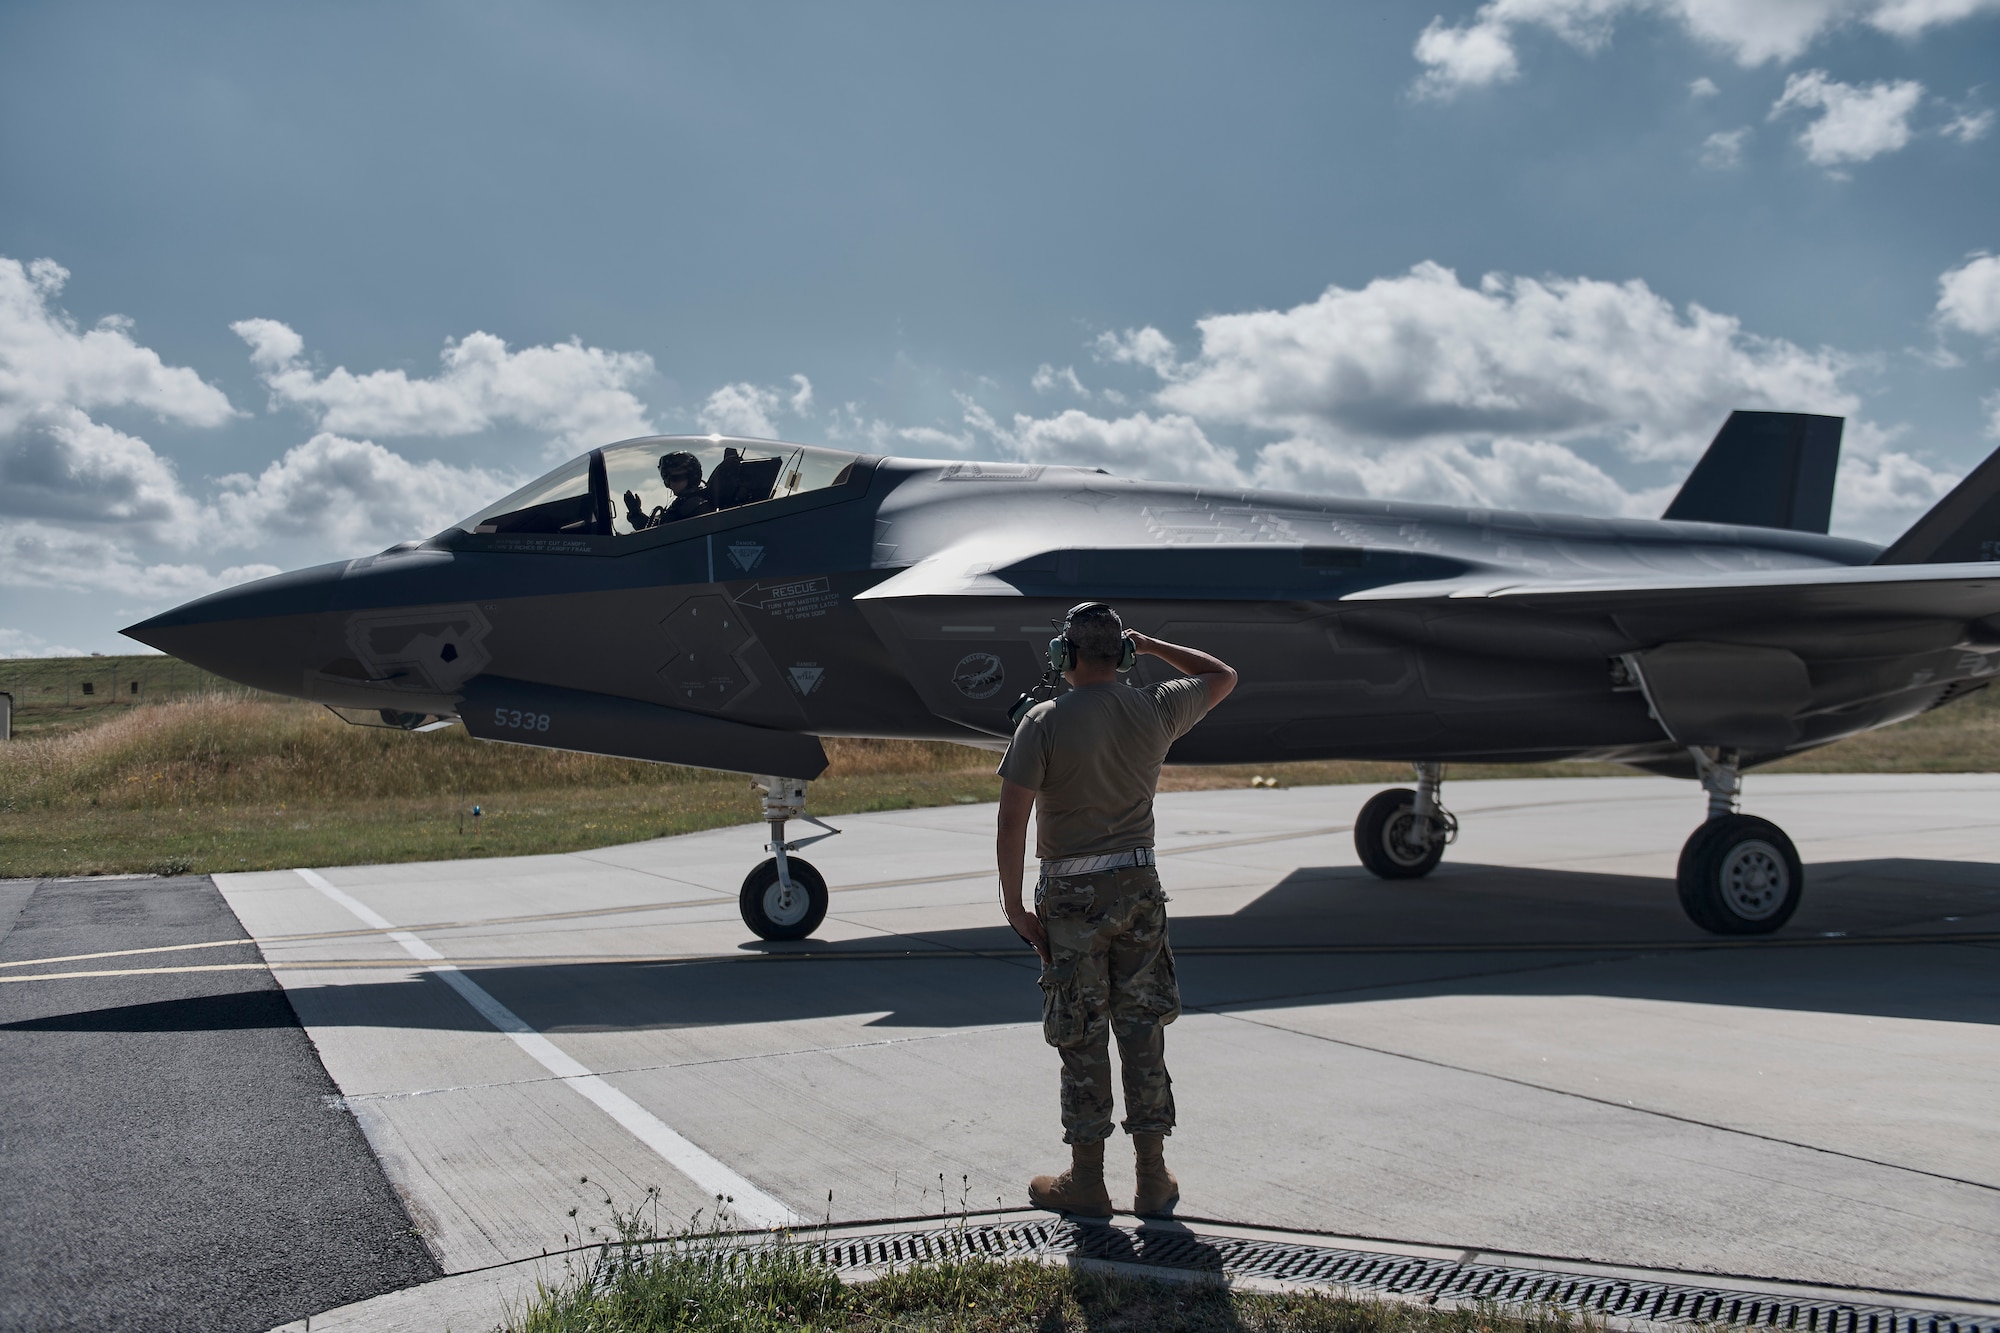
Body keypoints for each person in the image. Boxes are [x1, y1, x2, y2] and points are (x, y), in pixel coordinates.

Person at [995, 602, 1237, 1218]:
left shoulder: (1043, 722)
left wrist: (1015, 904)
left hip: (1072, 897)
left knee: (1081, 1034)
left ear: (1064, 658)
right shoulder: (1155, 708)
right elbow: (1221, 675)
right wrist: (1153, 645)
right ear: (1124, 656)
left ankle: (1087, 1180)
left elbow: (1013, 817)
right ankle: (1152, 1180)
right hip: (1139, 887)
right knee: (1143, 1027)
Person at [623, 451, 716, 530]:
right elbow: (655, 530)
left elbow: (658, 538)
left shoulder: (696, 507)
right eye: (666, 478)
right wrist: (636, 513)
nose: (669, 483)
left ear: (691, 477)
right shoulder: (683, 504)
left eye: (676, 478)